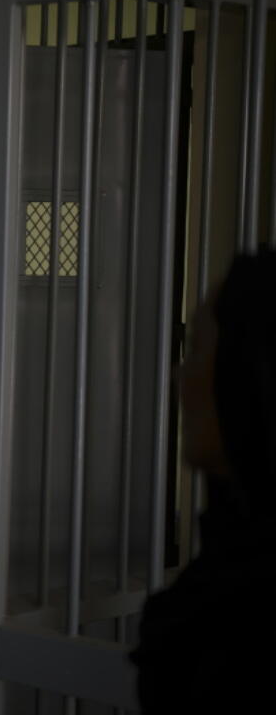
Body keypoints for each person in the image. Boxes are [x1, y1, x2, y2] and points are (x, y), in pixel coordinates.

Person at [131, 249, 276, 713]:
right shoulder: (226, 562)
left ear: (250, 373)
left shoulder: (254, 615)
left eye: (197, 349)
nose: (180, 377)